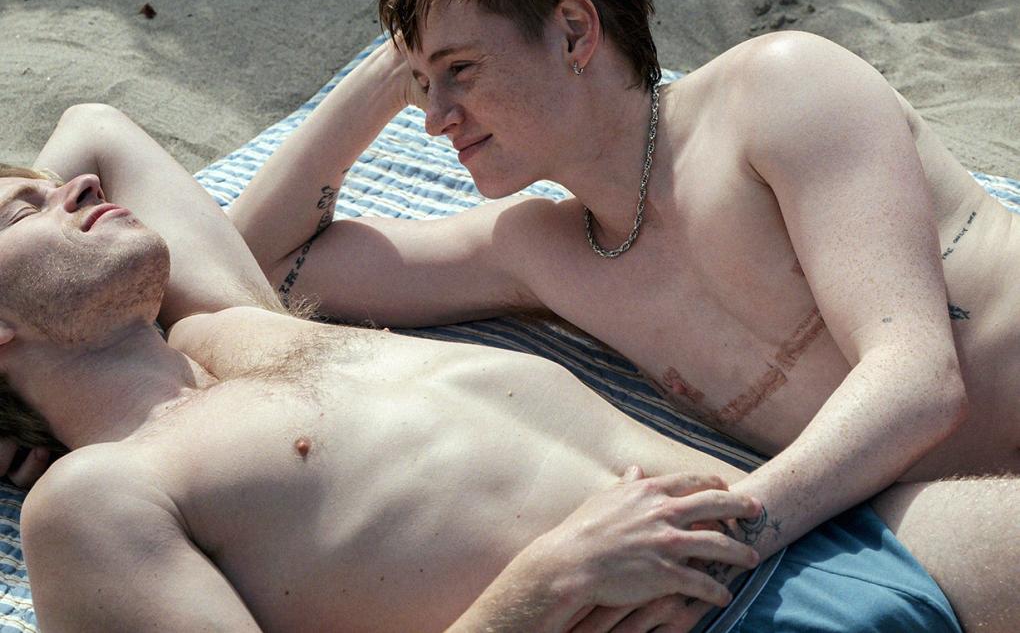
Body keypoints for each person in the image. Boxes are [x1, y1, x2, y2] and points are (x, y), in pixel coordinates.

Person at [226, 0, 1019, 632]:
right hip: (958, 519)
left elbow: (919, 379)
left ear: (575, 32)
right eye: (420, 83)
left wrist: (717, 544)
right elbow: (257, 259)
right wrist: (381, 75)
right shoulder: (544, 251)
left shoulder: (778, 92)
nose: (434, 118)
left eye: (459, 70)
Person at [0, 104, 1001, 632]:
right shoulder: (95, 499)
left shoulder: (239, 331)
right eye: (23, 208)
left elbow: (97, 125)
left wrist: (410, 53)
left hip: (819, 533)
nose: (72, 185)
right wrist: (543, 587)